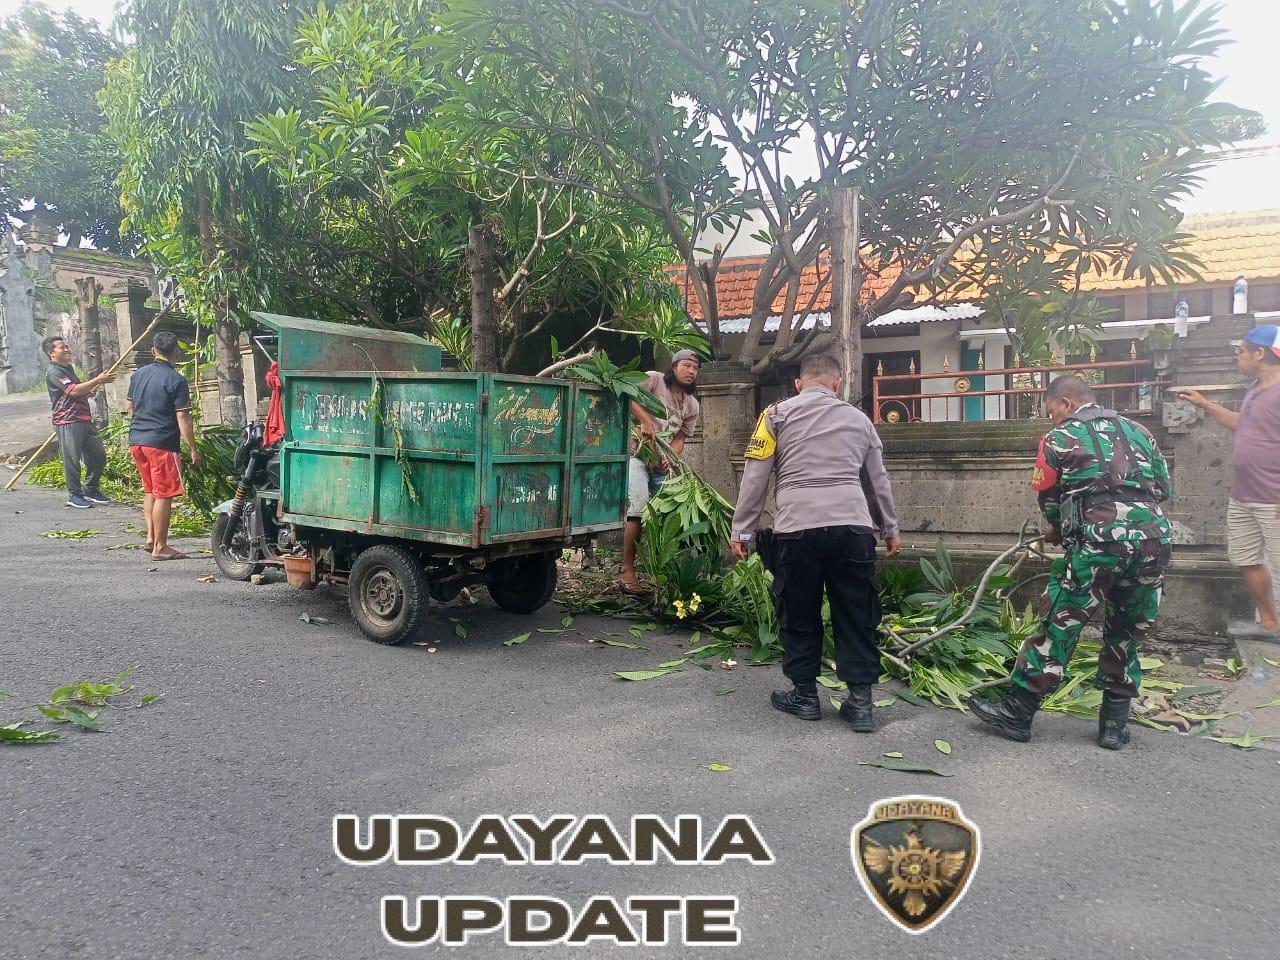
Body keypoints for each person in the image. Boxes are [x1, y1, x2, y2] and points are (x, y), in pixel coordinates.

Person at [971, 375, 1172, 750]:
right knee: (1128, 630)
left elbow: (1048, 493)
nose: (1052, 419)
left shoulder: (1060, 437)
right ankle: (1114, 726)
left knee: (1059, 623)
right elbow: (1164, 487)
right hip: (1153, 540)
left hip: (1097, 543)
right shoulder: (1139, 430)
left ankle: (1017, 713)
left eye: (1051, 411)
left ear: (1065, 403)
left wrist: (1059, 528)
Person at [729, 354, 901, 732]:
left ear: (798, 383)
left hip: (797, 528)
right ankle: (860, 703)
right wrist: (889, 527)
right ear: (837, 383)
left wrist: (741, 530)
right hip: (852, 529)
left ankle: (805, 696)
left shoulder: (774, 416)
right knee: (857, 613)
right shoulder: (861, 420)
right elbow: (878, 480)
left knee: (799, 611)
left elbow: (755, 477)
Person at [1176, 324, 1280, 642]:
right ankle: (1269, 625)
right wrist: (1205, 405)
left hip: (1273, 497)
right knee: (1247, 559)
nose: (1238, 358)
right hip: (1244, 495)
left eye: (1241, 352)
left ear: (1259, 353)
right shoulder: (1255, 390)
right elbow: (1241, 424)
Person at [620, 349, 702, 592]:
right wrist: (645, 420)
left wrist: (671, 456)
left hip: (660, 466)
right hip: (636, 455)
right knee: (637, 509)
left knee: (663, 517)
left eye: (695, 368)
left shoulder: (692, 404)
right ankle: (627, 570)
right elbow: (628, 393)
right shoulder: (654, 380)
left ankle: (657, 573)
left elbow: (680, 438)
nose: (691, 371)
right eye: (686, 366)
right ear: (674, 367)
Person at [125, 331, 200, 560]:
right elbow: (183, 417)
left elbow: (128, 406)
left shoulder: (138, 375)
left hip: (137, 441)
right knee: (164, 494)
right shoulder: (176, 380)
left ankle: (150, 537)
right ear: (177, 352)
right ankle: (160, 546)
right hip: (161, 443)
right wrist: (193, 448)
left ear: (152, 351)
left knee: (150, 491)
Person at [42, 335, 116, 509]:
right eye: (62, 347)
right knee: (72, 460)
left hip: (84, 419)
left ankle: (90, 488)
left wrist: (92, 387)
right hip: (67, 421)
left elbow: (80, 392)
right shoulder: (54, 372)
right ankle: (74, 494)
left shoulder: (68, 369)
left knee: (98, 455)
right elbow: (73, 391)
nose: (67, 349)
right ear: (51, 353)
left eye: (67, 346)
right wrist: (98, 380)